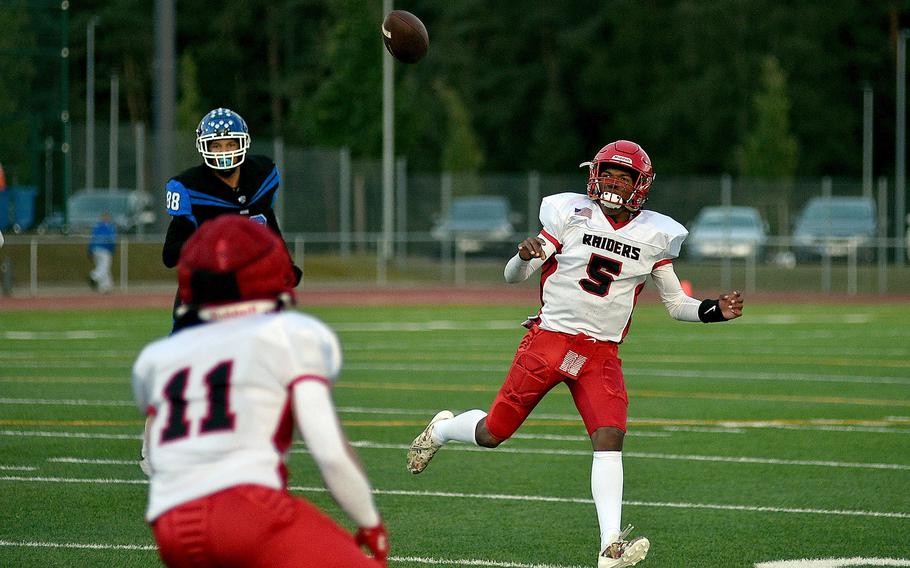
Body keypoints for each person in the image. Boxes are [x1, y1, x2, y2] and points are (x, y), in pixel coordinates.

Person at [406, 140, 744, 568]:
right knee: (493, 433)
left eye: (625, 176)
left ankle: (609, 548)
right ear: (594, 174)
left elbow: (677, 304)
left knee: (610, 437)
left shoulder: (655, 236)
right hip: (549, 341)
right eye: (609, 173)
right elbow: (515, 276)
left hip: (601, 353)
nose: (614, 182)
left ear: (641, 185)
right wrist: (520, 255)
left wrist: (714, 311)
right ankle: (442, 431)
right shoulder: (569, 214)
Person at [132, 215, 389, 567]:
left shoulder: (157, 358)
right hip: (247, 512)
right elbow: (330, 453)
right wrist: (369, 520)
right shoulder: (288, 334)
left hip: (170, 522)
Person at [162, 107, 301, 329]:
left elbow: (267, 221)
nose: (224, 151)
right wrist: (216, 247)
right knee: (186, 360)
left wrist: (285, 263)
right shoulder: (189, 186)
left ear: (242, 144)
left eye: (230, 144)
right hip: (204, 295)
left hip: (250, 292)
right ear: (204, 147)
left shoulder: (262, 175)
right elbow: (170, 254)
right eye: (216, 145)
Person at [88, 212, 116, 293]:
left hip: (95, 249)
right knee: (104, 266)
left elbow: (93, 239)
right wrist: (112, 249)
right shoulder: (110, 228)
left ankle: (106, 286)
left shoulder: (97, 227)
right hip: (104, 249)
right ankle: (93, 276)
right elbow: (111, 239)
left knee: (103, 267)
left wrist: (90, 250)